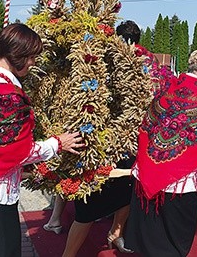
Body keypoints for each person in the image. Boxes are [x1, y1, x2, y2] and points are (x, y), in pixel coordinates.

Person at [0, 23, 84, 256]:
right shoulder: (7, 96)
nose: (33, 63)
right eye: (31, 57)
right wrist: (58, 143)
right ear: (17, 55)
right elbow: (19, 151)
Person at [52, 20, 143, 256]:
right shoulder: (100, 65)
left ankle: (116, 232)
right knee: (87, 207)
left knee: (125, 190)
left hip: (125, 141)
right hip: (96, 144)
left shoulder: (141, 69)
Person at [124, 48, 197, 256]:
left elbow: (147, 125)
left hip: (147, 175)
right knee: (174, 245)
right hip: (180, 184)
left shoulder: (166, 88)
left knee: (148, 241)